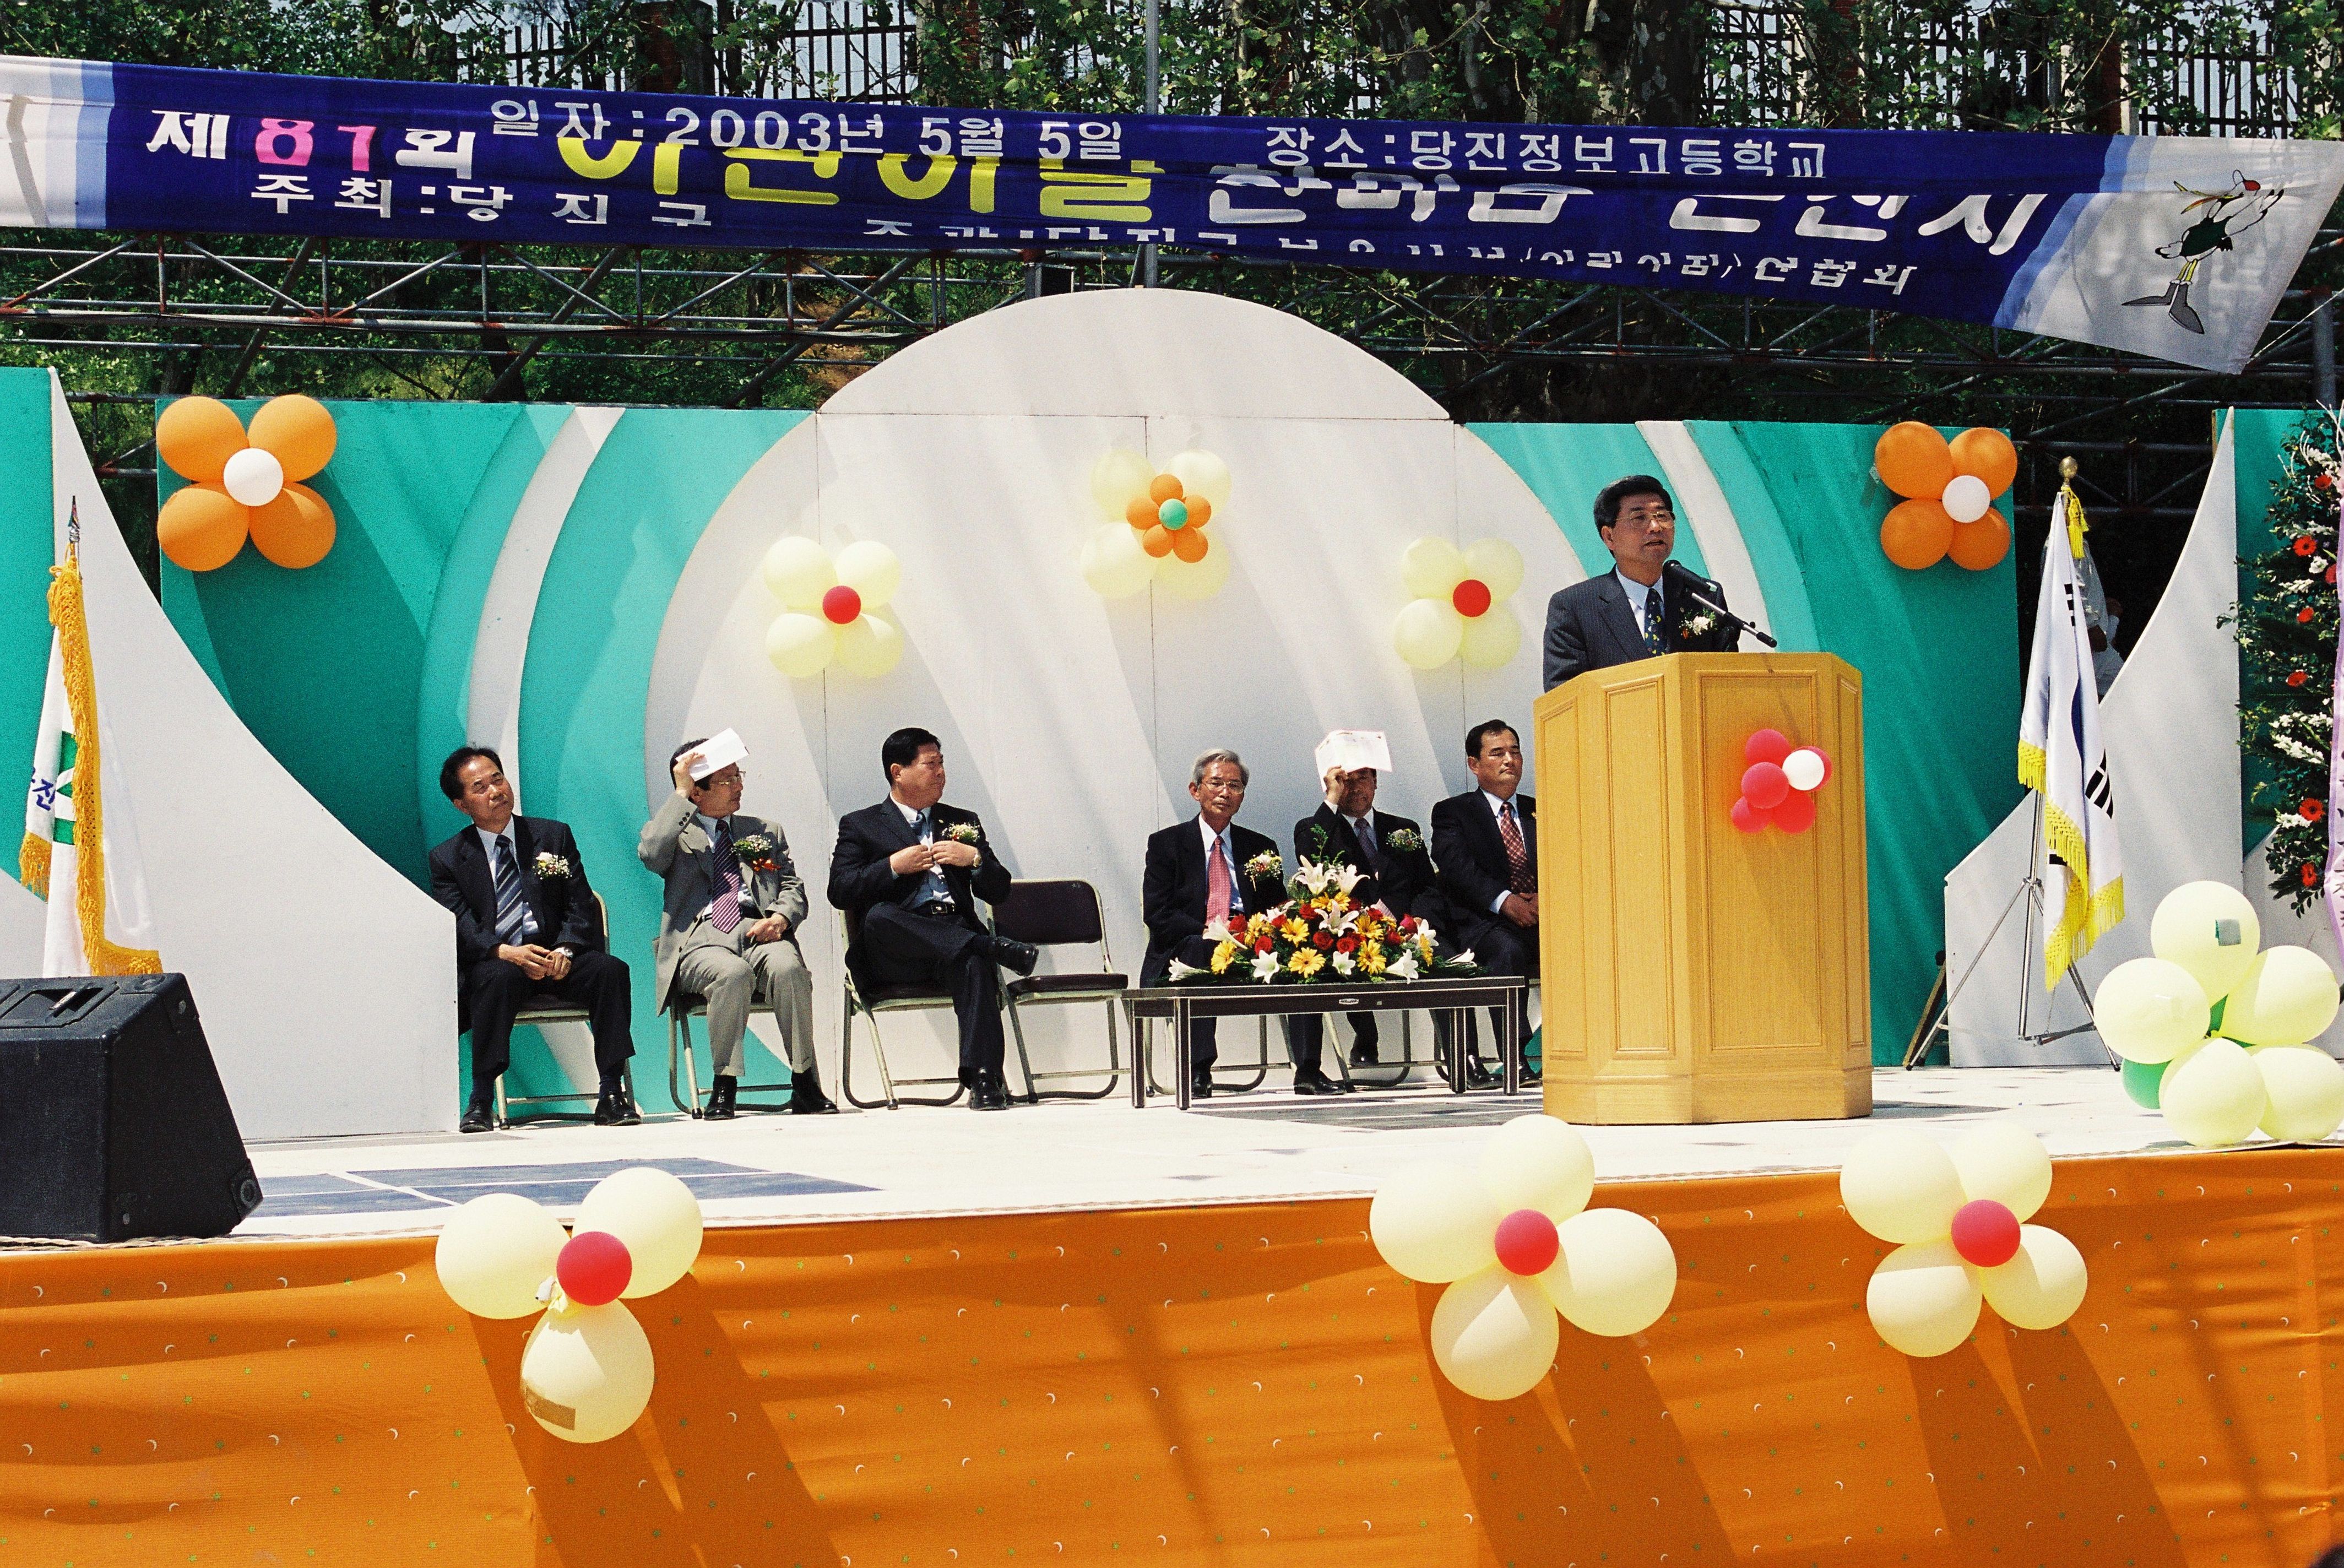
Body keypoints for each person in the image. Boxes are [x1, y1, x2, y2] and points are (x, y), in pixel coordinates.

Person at [427, 745, 638, 1133]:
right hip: (501, 960)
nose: (495, 791)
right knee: (494, 978)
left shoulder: (552, 836)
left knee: (609, 970)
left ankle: (612, 1092)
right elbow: (460, 925)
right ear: (461, 804)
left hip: (558, 956)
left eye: (498, 779)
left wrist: (566, 949)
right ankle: (481, 1099)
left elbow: (580, 903)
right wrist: (505, 952)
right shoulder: (448, 858)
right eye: (480, 787)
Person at [827, 728, 1037, 1111]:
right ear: (898, 772)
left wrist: (974, 859)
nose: (941, 773)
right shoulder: (861, 824)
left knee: (972, 960)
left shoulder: (962, 821)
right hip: (895, 950)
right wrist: (892, 866)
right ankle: (989, 945)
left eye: (942, 763)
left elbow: (999, 890)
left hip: (952, 937)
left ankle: (985, 1079)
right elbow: (840, 891)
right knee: (880, 916)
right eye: (931, 764)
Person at [639, 739, 833, 1120]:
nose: (739, 786)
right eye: (727, 781)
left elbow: (792, 887)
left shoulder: (764, 830)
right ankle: (724, 1083)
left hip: (759, 929)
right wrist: (680, 792)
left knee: (789, 968)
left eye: (737, 776)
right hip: (701, 938)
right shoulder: (677, 831)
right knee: (732, 974)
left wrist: (781, 917)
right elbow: (650, 854)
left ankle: (805, 1080)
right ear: (697, 791)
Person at [1141, 749, 1289, 1099]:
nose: (1225, 792)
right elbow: (1158, 913)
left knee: (1300, 954)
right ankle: (1198, 1070)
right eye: (1217, 783)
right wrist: (1208, 930)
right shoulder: (1167, 844)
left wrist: (1258, 931)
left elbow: (1276, 908)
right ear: (1195, 790)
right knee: (1199, 949)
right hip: (1189, 944)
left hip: (1249, 943)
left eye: (1235, 786)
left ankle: (1309, 1069)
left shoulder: (1261, 847)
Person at [1291, 758, 1436, 1074]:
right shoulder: (1316, 827)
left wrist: (1418, 920)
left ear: (1376, 782)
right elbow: (1309, 854)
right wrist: (1331, 799)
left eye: (1364, 778)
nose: (1356, 788)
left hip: (1404, 928)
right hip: (1349, 931)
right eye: (1347, 781)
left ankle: (1463, 1059)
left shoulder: (1403, 828)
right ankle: (1365, 1036)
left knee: (1444, 954)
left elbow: (1426, 885)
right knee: (1328, 953)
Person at [1543, 475, 1739, 691]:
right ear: (1609, 537)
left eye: (1662, 516)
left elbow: (1728, 681)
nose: (1655, 527)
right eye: (1639, 518)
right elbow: (1564, 694)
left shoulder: (1703, 597)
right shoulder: (1575, 607)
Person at [1430, 720, 1540, 1086]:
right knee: (1506, 951)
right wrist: (1505, 901)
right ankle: (1519, 1057)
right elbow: (1457, 867)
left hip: (1543, 917)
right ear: (1474, 764)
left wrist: (1549, 896)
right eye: (1498, 753)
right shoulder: (1453, 813)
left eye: (1515, 751)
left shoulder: (1540, 808)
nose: (1510, 760)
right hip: (1486, 924)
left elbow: (1571, 856)